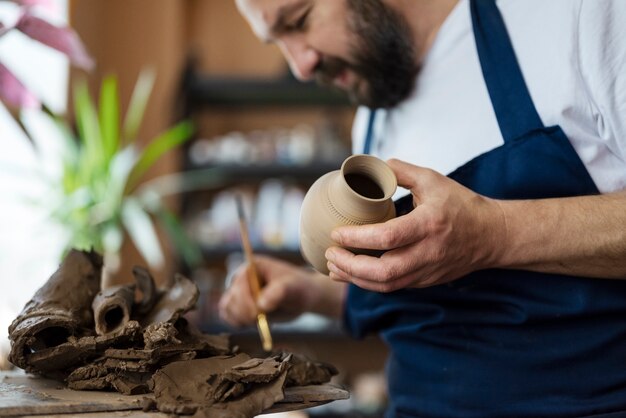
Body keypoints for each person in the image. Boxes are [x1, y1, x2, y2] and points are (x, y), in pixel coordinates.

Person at [219, 0, 626, 416]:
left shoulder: (574, 16)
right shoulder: (374, 113)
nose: (300, 67)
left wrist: (495, 233)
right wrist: (313, 293)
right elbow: (428, 297)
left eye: (300, 21)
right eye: (277, 41)